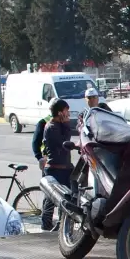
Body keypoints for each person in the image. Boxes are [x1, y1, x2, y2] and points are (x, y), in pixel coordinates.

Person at [36, 99, 75, 231]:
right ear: (59, 113)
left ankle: (62, 223)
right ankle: (46, 225)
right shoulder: (51, 127)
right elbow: (65, 142)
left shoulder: (58, 125)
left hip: (65, 168)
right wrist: (67, 124)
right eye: (66, 111)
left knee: (66, 198)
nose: (68, 114)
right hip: (55, 169)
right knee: (52, 199)